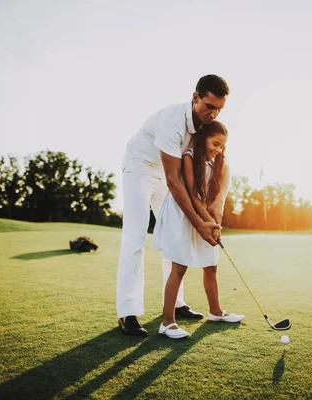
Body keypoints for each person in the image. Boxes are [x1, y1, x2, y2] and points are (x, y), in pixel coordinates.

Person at [117, 75, 230, 336]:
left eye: (219, 109)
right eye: (209, 106)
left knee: (176, 236)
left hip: (170, 175)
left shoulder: (205, 125)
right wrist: (200, 223)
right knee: (135, 236)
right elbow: (173, 181)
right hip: (140, 169)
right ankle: (127, 312)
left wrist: (210, 214)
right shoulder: (172, 122)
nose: (213, 114)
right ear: (195, 98)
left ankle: (177, 304)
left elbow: (205, 171)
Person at [152, 121, 244, 339]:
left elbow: (215, 199)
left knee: (211, 265)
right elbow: (192, 196)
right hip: (183, 214)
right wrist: (207, 223)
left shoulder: (218, 163)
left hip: (205, 214)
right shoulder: (189, 157)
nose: (218, 149)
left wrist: (215, 222)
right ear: (204, 139)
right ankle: (167, 323)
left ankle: (216, 312)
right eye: (215, 143)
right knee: (179, 267)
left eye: (222, 146)